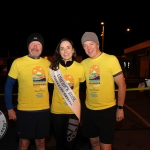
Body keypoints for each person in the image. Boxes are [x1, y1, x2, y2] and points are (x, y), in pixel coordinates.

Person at [4, 33, 51, 150]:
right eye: (32, 44)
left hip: (43, 111)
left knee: (41, 143)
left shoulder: (48, 64)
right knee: (24, 144)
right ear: (28, 47)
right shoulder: (18, 62)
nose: (35, 47)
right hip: (25, 112)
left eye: (38, 44)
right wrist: (10, 109)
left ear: (42, 47)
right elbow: (8, 86)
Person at [80, 32, 126, 150]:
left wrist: (120, 108)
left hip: (107, 111)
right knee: (94, 144)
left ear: (97, 44)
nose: (88, 48)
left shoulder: (111, 59)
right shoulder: (84, 63)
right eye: (85, 45)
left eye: (91, 44)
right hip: (89, 111)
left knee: (106, 147)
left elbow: (122, 85)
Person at [49, 38, 85, 150]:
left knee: (71, 144)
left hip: (73, 111)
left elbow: (83, 89)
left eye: (68, 47)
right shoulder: (52, 68)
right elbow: (50, 90)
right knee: (59, 144)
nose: (65, 51)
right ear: (59, 51)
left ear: (73, 50)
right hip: (57, 112)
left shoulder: (80, 68)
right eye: (62, 48)